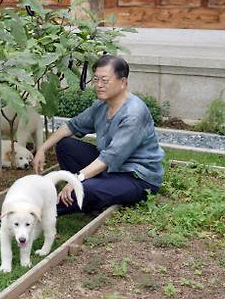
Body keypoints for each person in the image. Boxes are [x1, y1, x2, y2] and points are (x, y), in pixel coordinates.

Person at [33, 55, 164, 215]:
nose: (99, 85)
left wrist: (77, 179)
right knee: (66, 145)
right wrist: (42, 149)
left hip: (136, 178)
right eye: (96, 80)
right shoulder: (102, 105)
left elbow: (111, 157)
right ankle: (94, 197)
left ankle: (32, 214)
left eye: (105, 80)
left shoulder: (134, 113)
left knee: (83, 189)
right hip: (111, 169)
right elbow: (71, 126)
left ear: (123, 82)